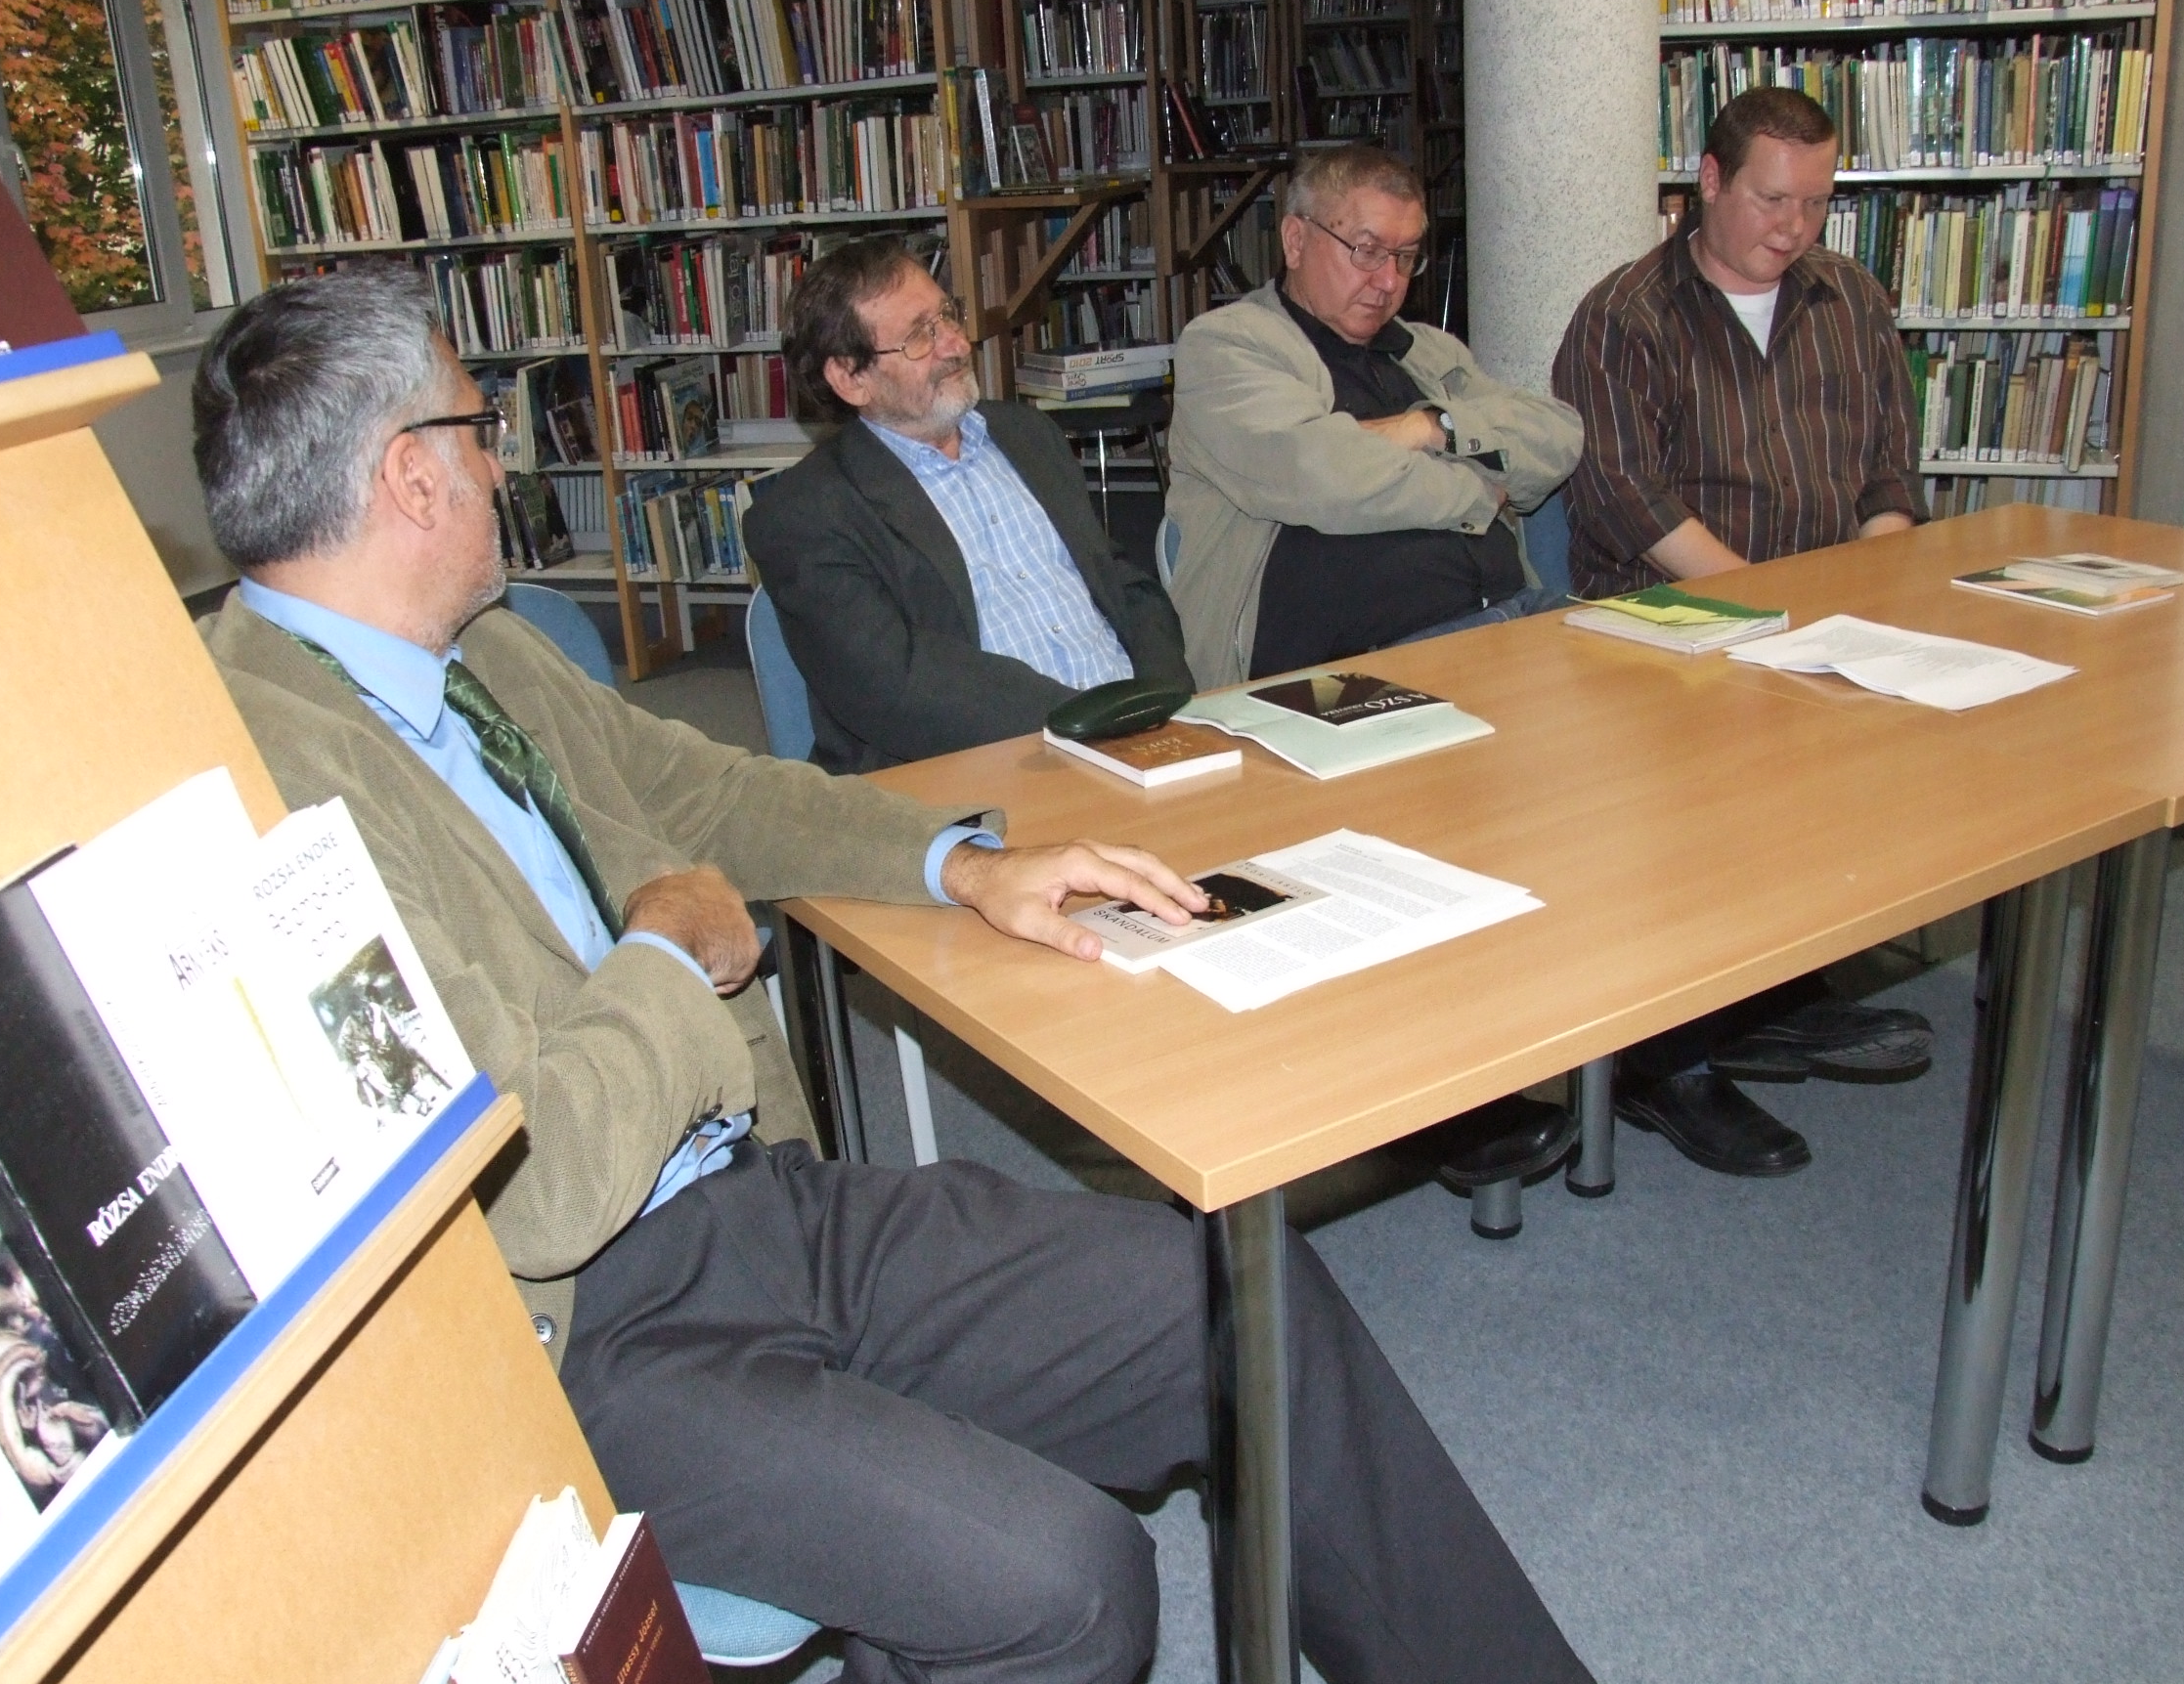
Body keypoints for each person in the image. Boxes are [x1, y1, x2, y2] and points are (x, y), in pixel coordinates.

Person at [190, 267, 1596, 1684]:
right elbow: (535, 1186)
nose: (502, 464)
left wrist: (962, 865)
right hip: (581, 1339)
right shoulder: (252, 785)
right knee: (1070, 1584)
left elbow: (705, 786)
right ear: (411, 475)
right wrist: (669, 950)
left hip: (752, 1195)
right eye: (479, 428)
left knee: (1241, 1308)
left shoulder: (482, 651)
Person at [1551, 85, 1932, 1180]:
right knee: (1689, 813)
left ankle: (1772, 995)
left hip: (1821, 615)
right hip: (1665, 631)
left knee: (1862, 776)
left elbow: (1888, 467)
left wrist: (1878, 568)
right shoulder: (1626, 315)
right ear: (1708, 182)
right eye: (1772, 200)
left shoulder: (1850, 299)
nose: (1794, 227)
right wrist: (1773, 610)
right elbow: (1625, 498)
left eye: (1815, 203)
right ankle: (1665, 1063)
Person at [743, 237, 1190, 772]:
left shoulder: (1028, 435)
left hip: (1139, 732)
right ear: (851, 378)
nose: (956, 344)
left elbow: (1119, 582)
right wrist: (1095, 725)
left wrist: (1162, 696)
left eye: (947, 316)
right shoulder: (805, 514)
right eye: (919, 336)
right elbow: (895, 685)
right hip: (990, 764)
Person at [1166, 143, 1586, 692]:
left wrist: (1432, 427)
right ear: (1295, 240)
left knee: (1654, 691)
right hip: (1342, 674)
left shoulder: (1427, 352)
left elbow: (1560, 433)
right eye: (1366, 251)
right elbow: (1321, 477)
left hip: (1511, 618)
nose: (1389, 281)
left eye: (1405, 257)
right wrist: (1481, 490)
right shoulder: (1226, 346)